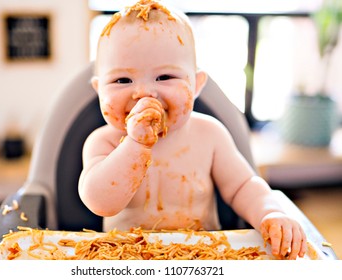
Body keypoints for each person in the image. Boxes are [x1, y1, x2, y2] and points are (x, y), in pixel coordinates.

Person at [78, 0, 306, 259]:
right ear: (99, 90)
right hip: (126, 259)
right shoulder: (103, 143)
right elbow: (101, 203)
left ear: (196, 85)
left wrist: (269, 213)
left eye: (165, 77)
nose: (143, 92)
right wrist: (135, 145)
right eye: (122, 80)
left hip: (202, 257)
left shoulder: (209, 135)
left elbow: (243, 186)